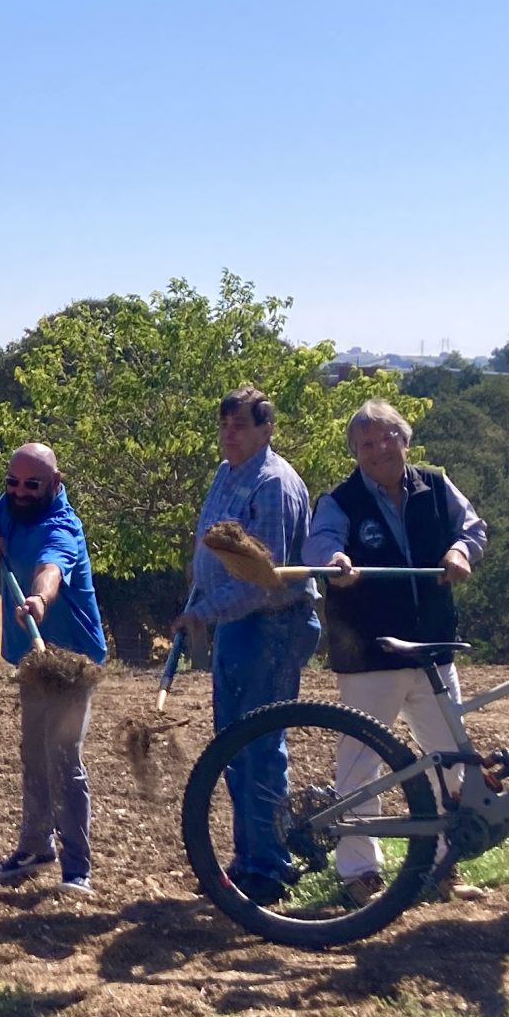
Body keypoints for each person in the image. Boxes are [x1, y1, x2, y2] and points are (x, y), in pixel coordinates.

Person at [308, 399, 489, 905]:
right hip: (368, 654)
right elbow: (320, 543)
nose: (377, 450)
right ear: (356, 453)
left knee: (449, 764)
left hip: (433, 650)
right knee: (360, 765)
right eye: (365, 444)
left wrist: (460, 551)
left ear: (404, 442)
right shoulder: (340, 499)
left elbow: (472, 528)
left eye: (386, 439)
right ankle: (360, 874)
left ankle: (442, 867)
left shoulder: (436, 485)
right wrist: (335, 560)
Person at [178, 387, 321, 907]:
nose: (228, 434)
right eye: (223, 425)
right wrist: (200, 593)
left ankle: (270, 867)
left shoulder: (274, 484)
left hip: (274, 625)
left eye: (239, 425)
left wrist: (202, 613)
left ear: (265, 429)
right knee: (233, 746)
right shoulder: (225, 474)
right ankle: (244, 860)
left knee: (261, 747)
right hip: (237, 626)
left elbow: (265, 578)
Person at [0, 443, 107, 898]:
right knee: (33, 752)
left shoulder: (62, 525)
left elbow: (52, 569)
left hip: (70, 660)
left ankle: (77, 867)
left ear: (55, 484)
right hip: (32, 656)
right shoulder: (10, 507)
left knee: (64, 757)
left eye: (32, 485)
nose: (20, 492)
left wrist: (39, 600)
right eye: (13, 482)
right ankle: (35, 848)